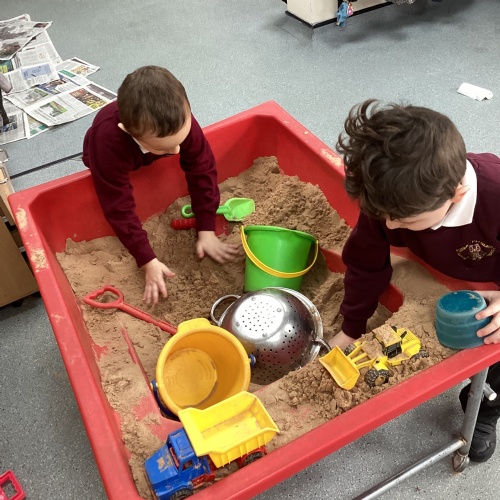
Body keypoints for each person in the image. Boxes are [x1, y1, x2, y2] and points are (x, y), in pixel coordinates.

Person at [331, 99, 500, 463]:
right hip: (440, 273)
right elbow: (364, 263)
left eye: (404, 221)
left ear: (456, 194)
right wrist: (351, 327)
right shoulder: (390, 199)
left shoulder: (495, 193)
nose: (391, 226)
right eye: (384, 216)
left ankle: (485, 409)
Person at [82, 66, 238, 304]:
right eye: (164, 148)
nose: (175, 152)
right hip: (109, 152)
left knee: (187, 151)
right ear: (128, 132)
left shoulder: (179, 120)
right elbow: (118, 206)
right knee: (100, 169)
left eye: (180, 141)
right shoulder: (108, 141)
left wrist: (206, 228)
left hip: (148, 143)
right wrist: (147, 260)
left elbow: (202, 169)